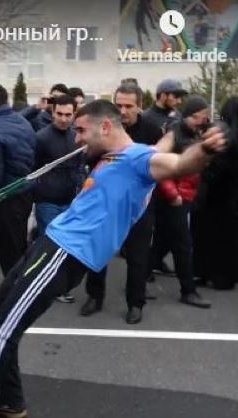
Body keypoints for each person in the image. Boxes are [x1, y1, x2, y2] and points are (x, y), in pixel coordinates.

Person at [0, 100, 227, 418]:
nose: (76, 139)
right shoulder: (130, 151)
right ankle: (11, 400)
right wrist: (175, 131)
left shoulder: (138, 161)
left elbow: (178, 163)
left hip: (67, 253)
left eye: (80, 131)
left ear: (104, 127)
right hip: (51, 242)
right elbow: (164, 146)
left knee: (3, 329)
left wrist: (204, 150)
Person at [81, 83, 165, 324]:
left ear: (139, 106)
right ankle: (94, 297)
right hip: (105, 204)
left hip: (140, 206)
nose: (123, 110)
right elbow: (91, 161)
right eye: (118, 105)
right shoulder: (104, 128)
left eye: (128, 106)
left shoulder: (151, 132)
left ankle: (135, 303)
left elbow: (157, 168)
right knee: (99, 251)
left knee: (138, 257)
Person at [192, 97, 238, 290]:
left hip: (214, 193)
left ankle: (204, 274)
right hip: (235, 194)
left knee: (206, 236)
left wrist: (206, 172)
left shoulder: (222, 135)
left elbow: (215, 167)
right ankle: (227, 276)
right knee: (229, 238)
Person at [0, 83, 36, 275]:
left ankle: (15, 296)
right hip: (26, 191)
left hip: (8, 195)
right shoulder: (23, 123)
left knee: (9, 252)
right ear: (7, 100)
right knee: (19, 243)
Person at [32, 95, 85, 304]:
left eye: (68, 115)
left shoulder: (76, 136)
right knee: (51, 244)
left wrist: (81, 184)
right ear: (52, 112)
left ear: (74, 114)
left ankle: (56, 285)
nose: (63, 119)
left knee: (66, 246)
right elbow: (33, 169)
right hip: (47, 200)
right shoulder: (41, 137)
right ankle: (47, 285)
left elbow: (81, 165)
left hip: (70, 200)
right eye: (59, 114)